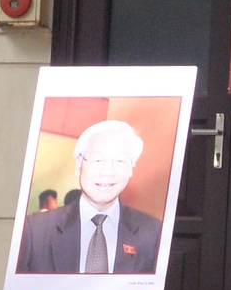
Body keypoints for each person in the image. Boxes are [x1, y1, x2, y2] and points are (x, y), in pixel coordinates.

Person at [17, 118, 165, 275]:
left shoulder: (154, 233)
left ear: (131, 169)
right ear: (78, 164)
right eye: (97, 160)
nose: (107, 171)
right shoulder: (34, 231)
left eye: (120, 161)